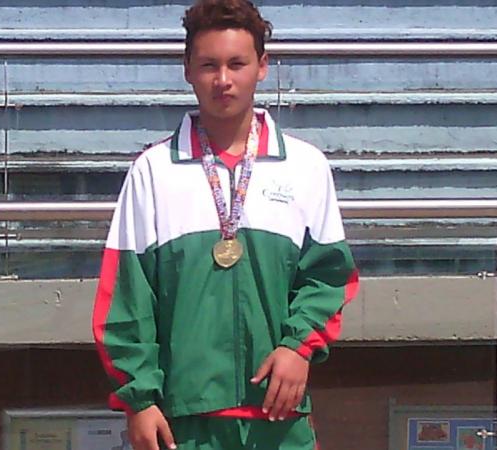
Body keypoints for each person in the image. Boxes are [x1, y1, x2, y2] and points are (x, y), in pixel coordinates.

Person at [92, 1, 358, 449]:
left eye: (237, 64)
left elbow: (329, 277)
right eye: (208, 65)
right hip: (181, 419)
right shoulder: (153, 171)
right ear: (187, 71)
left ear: (262, 66)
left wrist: (298, 347)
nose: (223, 80)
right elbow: (126, 297)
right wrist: (139, 399)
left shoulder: (305, 166)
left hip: (278, 416)